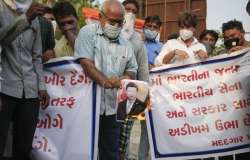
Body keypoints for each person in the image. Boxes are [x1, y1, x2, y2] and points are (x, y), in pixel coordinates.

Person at [74, 0, 138, 159]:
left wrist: (124, 78)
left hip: (114, 108)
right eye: (112, 21)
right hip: (88, 107)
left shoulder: (125, 43)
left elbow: (132, 69)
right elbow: (86, 63)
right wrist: (105, 81)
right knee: (84, 150)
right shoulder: (88, 32)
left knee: (110, 152)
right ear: (100, 17)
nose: (116, 26)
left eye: (119, 23)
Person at [0, 0, 49, 160]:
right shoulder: (2, 8)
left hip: (29, 91)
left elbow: (36, 56)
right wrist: (25, 19)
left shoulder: (33, 14)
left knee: (23, 148)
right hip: (4, 87)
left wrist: (41, 86)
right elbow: (2, 38)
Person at [120, 0, 149, 159]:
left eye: (133, 11)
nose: (129, 13)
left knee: (124, 138)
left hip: (128, 95)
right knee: (107, 136)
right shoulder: (107, 32)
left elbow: (143, 69)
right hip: (107, 90)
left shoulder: (138, 40)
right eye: (127, 9)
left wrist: (145, 96)